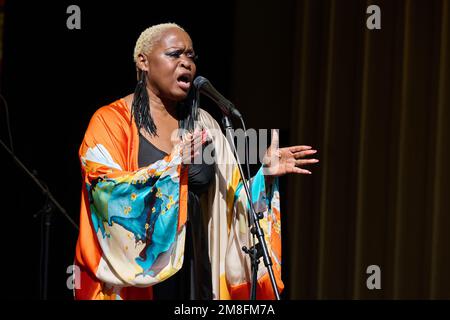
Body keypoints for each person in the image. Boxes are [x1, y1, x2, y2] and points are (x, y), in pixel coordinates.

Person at [74, 22, 319, 300]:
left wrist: (265, 175)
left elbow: (233, 197)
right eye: (174, 54)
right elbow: (104, 191)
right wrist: (171, 166)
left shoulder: (204, 124)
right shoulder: (109, 121)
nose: (186, 63)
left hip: (195, 271)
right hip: (138, 281)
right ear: (143, 61)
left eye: (191, 56)